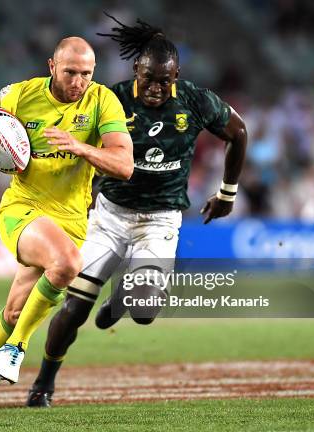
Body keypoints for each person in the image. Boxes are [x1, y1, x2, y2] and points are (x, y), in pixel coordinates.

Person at [26, 15, 248, 407]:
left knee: (144, 310)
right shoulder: (111, 99)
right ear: (135, 71)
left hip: (160, 219)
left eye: (165, 79)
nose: (157, 88)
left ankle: (119, 300)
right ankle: (44, 382)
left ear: (177, 74)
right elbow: (75, 145)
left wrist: (228, 193)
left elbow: (238, 132)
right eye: (149, 78)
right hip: (110, 215)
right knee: (75, 306)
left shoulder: (195, 101)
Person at [0, 36, 134, 416]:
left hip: (71, 219)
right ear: (52, 66)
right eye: (70, 71)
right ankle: (17, 347)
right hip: (23, 208)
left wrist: (81, 147)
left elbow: (124, 165)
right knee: (67, 265)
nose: (78, 81)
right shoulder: (20, 96)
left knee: (13, 311)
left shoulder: (103, 101)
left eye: (86, 74)